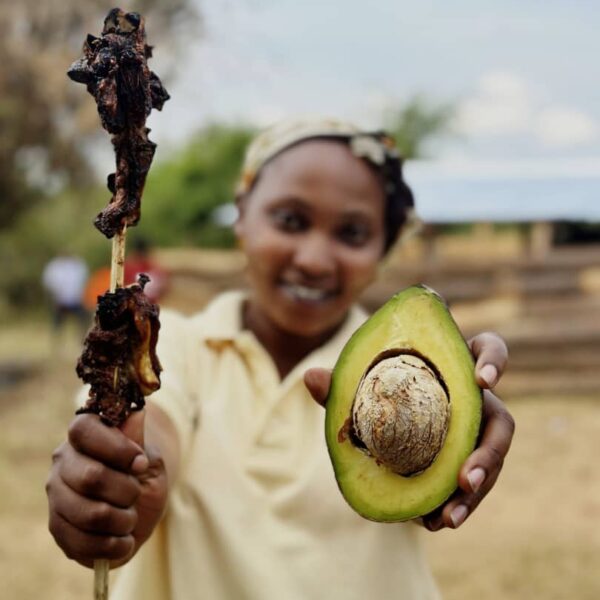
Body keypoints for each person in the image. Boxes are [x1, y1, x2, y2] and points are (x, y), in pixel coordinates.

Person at [46, 118, 514, 599]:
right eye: (290, 220)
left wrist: (457, 428)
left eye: (352, 232)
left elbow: (426, 493)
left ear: (385, 247)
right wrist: (123, 480)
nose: (313, 259)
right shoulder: (170, 346)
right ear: (242, 215)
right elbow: (152, 429)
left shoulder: (405, 364)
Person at [42, 252, 89, 340]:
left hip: (76, 299)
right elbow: (49, 283)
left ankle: (82, 339)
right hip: (60, 300)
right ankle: (57, 342)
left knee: (82, 321)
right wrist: (55, 296)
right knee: (58, 323)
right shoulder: (55, 266)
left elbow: (84, 281)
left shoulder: (77, 265)